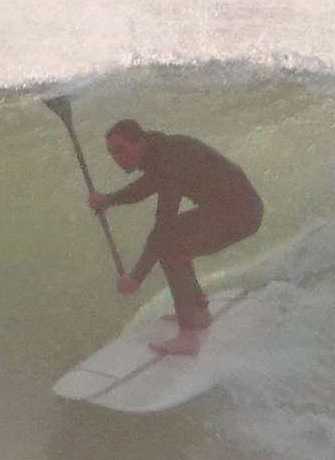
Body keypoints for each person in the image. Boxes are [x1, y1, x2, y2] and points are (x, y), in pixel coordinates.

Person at [89, 120, 264, 356]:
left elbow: (165, 222)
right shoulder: (160, 152)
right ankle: (199, 312)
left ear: (139, 141)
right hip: (229, 208)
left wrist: (136, 276)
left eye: (120, 149)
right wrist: (109, 199)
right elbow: (145, 187)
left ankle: (188, 336)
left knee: (171, 248)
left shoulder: (170, 160)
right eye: (111, 152)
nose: (116, 157)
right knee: (172, 243)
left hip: (241, 213)